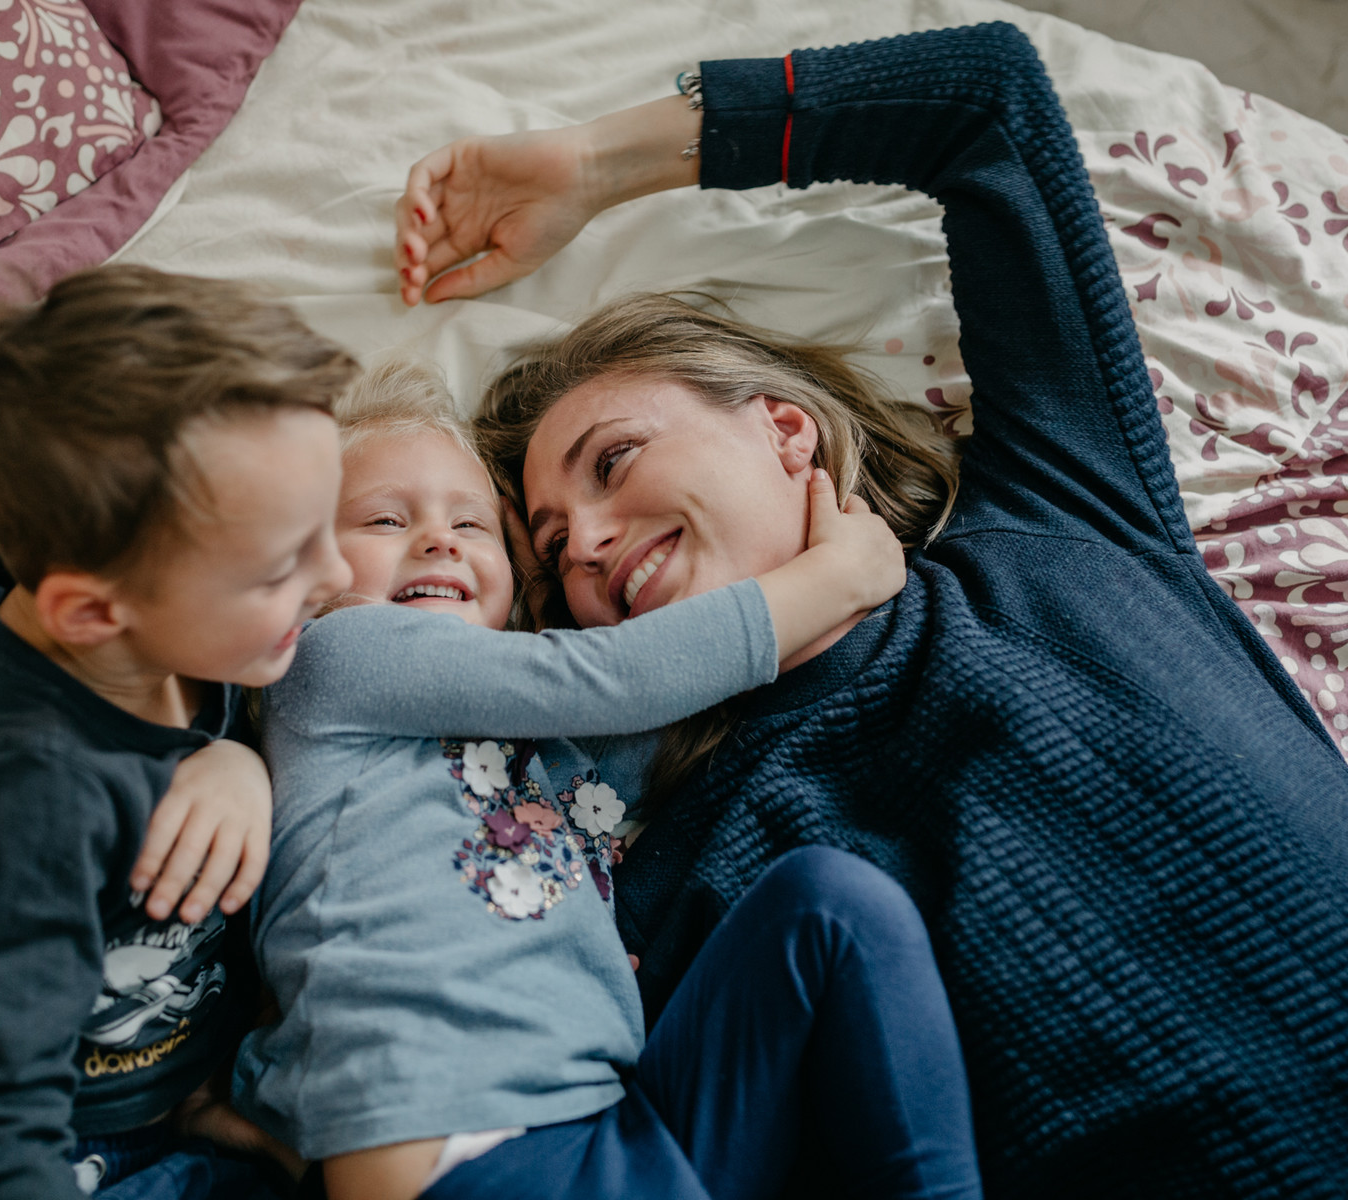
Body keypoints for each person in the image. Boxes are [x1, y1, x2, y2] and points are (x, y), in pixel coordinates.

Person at [396, 21, 1348, 1193]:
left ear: (781, 425)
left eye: (613, 461)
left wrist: (599, 165)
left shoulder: (1061, 513)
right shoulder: (688, 868)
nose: (585, 546)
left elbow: (983, 104)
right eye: (553, 550)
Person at [234, 361, 980, 1200]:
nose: (440, 539)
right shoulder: (333, 658)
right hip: (468, 1143)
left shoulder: (543, 753)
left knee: (832, 908)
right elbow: (619, 675)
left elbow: (677, 694)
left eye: (475, 526)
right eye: (383, 518)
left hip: (614, 1126)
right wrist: (833, 579)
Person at [0, 265, 355, 1200]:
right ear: (91, 613)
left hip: (150, 1084)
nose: (338, 573)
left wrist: (232, 760)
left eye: (329, 529)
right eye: (281, 567)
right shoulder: (24, 798)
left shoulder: (141, 608)